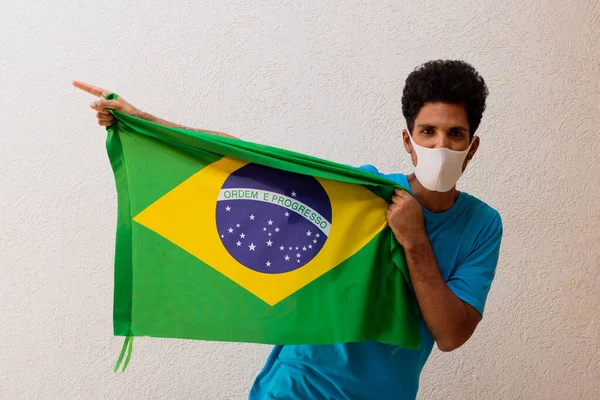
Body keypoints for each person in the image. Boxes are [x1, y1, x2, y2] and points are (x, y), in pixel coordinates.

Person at [74, 59, 502, 400]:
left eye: (455, 134)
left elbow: (451, 334)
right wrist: (145, 121)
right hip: (296, 388)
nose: (440, 146)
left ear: (472, 146)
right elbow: (251, 164)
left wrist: (414, 239)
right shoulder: (367, 193)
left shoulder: (482, 225)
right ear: (408, 141)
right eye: (427, 132)